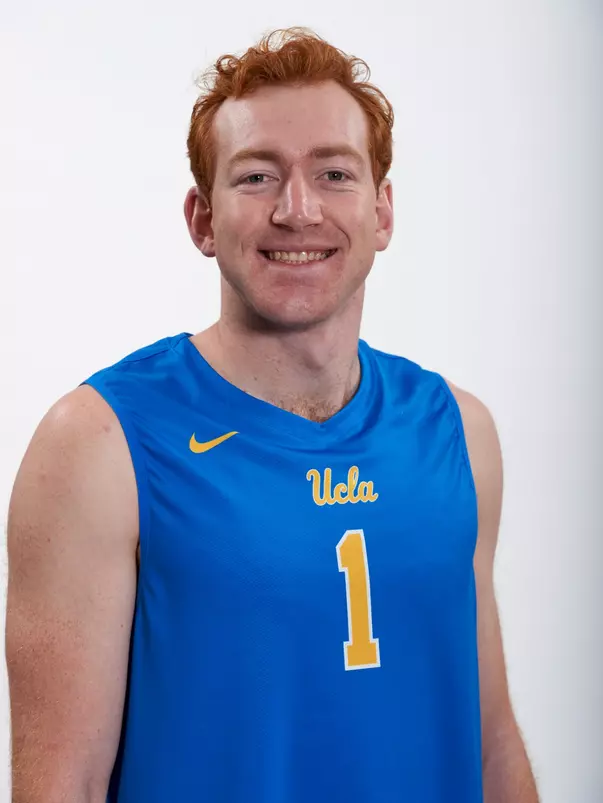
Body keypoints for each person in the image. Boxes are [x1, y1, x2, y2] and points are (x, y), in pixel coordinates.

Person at [5, 26, 540, 803]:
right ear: (202, 218)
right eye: (257, 177)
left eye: (333, 173)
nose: (297, 209)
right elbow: (63, 786)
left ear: (382, 212)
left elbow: (490, 745)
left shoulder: (458, 432)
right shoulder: (98, 446)